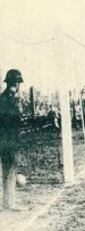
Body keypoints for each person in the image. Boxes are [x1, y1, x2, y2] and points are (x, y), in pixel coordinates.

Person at [0, 69, 24, 210]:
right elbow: (10, 121)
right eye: (18, 83)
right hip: (8, 140)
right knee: (9, 171)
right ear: (15, 83)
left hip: (7, 139)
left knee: (9, 171)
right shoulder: (8, 99)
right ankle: (9, 204)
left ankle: (9, 202)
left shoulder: (5, 98)